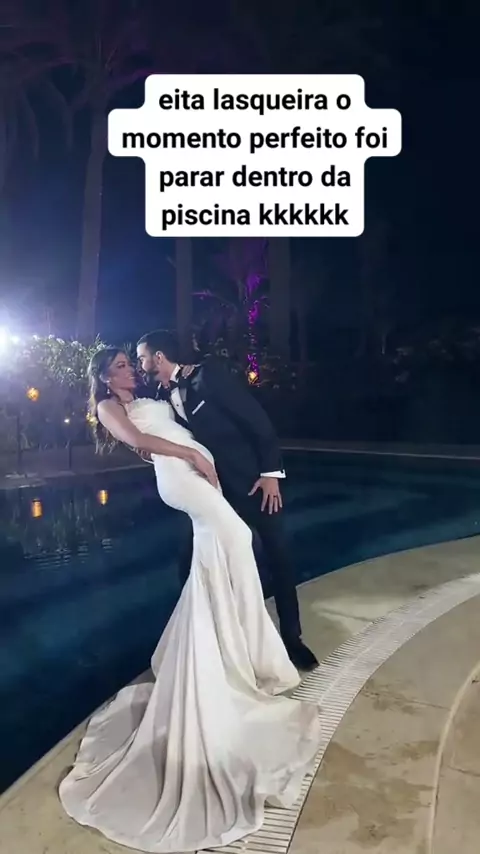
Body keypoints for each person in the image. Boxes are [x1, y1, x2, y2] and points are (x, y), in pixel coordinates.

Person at [59, 347, 321, 854]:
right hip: (181, 476)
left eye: (130, 362)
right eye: (121, 365)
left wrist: (207, 453)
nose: (129, 369)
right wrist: (193, 456)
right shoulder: (109, 406)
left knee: (217, 553)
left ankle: (225, 643)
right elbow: (140, 440)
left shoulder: (155, 393)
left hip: (196, 470)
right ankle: (245, 645)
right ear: (104, 376)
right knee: (238, 539)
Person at [137, 329, 318, 673]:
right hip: (210, 490)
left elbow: (257, 420)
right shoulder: (162, 394)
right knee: (189, 560)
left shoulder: (208, 376)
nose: (140, 363)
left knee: (278, 556)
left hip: (252, 484)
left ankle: (292, 639)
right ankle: (209, 637)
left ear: (159, 356)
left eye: (142, 357)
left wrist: (270, 474)